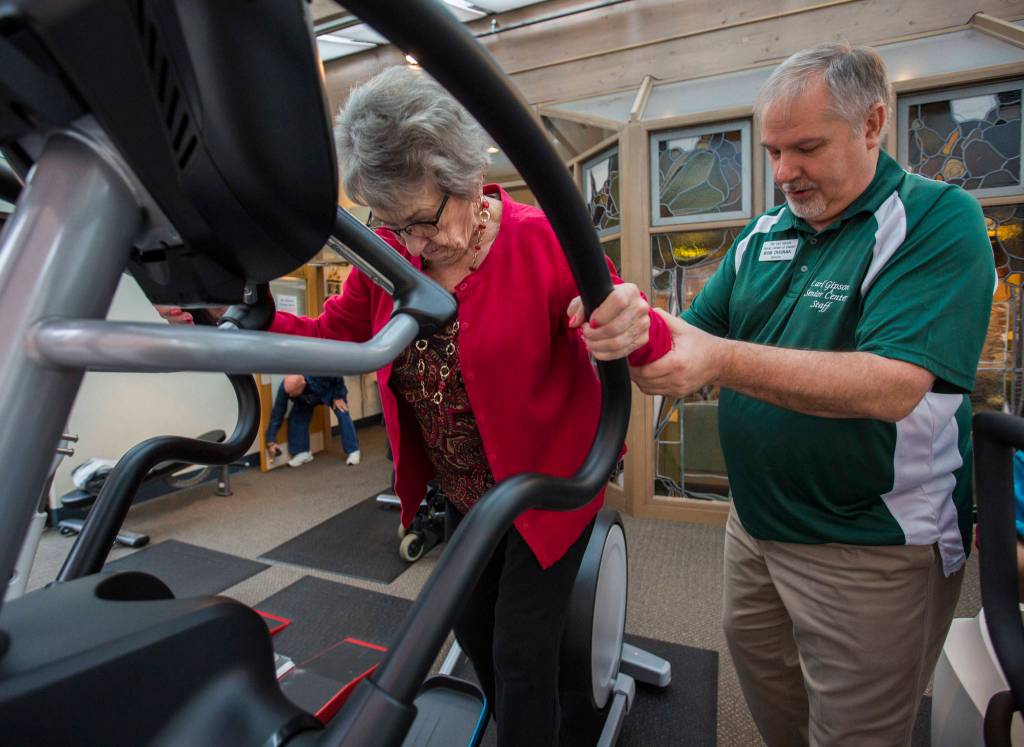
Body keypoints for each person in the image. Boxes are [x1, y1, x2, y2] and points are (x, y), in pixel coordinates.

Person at [585, 43, 996, 745]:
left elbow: (892, 383)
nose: (783, 173)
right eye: (773, 150)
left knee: (855, 731)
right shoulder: (763, 235)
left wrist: (716, 357)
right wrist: (632, 318)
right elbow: (695, 330)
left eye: (805, 147)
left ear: (873, 123)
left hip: (868, 543)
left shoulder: (934, 220)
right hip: (753, 525)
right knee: (773, 702)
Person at [260, 65, 670, 745]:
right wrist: (238, 319)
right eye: (394, 225)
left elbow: (634, 322)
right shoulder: (389, 254)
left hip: (548, 490)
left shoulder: (542, 240)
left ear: (466, 176)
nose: (414, 243)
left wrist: (632, 321)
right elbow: (332, 332)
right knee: (474, 635)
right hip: (464, 493)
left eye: (423, 219)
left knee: (520, 653)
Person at [265, 374, 361, 467]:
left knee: (342, 412)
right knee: (297, 417)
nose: (289, 395)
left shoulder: (318, 374)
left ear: (302, 384)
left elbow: (337, 376)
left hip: (328, 391)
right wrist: (271, 440)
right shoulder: (286, 387)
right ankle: (302, 452)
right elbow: (278, 412)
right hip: (306, 397)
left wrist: (338, 396)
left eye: (292, 392)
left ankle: (353, 451)